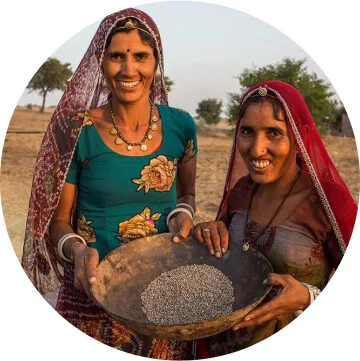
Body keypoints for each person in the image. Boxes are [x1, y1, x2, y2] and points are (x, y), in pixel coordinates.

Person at [21, 8, 197, 359]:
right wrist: (78, 250)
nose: (129, 70)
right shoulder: (75, 130)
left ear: (156, 63)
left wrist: (182, 213)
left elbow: (187, 194)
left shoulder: (181, 126)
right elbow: (58, 222)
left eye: (141, 57)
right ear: (100, 63)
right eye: (117, 56)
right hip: (93, 290)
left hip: (163, 287)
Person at [193, 80, 357, 357]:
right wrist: (210, 233)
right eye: (247, 132)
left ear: (299, 137)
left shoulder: (329, 203)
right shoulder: (242, 191)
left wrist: (307, 297)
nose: (256, 149)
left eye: (274, 133)